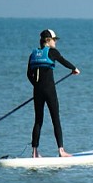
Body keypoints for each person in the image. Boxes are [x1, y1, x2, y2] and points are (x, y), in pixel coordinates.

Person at [26, 29, 80, 157]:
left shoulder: (33, 54)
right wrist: (74, 69)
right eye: (54, 40)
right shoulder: (53, 52)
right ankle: (61, 150)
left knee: (38, 120)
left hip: (37, 91)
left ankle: (34, 152)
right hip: (50, 90)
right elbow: (63, 61)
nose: (56, 42)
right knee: (55, 119)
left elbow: (29, 74)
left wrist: (37, 86)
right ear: (48, 41)